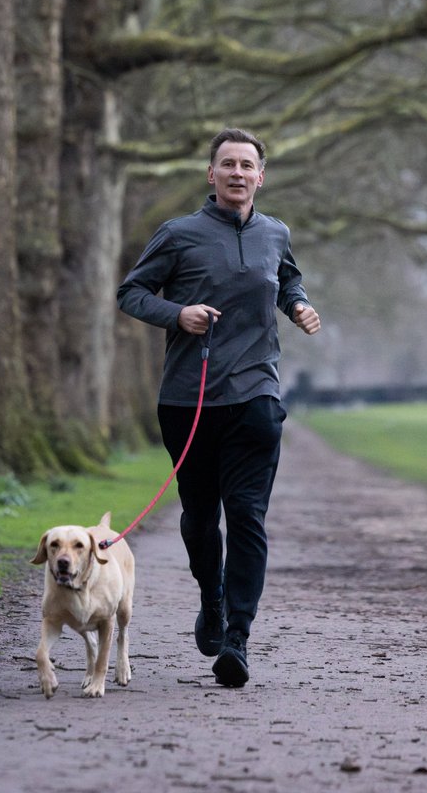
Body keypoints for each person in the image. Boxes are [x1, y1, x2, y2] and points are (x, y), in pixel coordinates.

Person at [116, 127, 320, 687]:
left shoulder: (274, 233)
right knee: (202, 518)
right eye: (226, 164)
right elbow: (132, 292)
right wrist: (178, 314)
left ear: (260, 176)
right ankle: (212, 595)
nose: (236, 173)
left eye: (246, 165)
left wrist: (297, 304)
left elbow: (286, 278)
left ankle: (238, 637)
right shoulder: (178, 234)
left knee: (248, 515)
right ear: (212, 174)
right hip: (189, 400)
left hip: (256, 395)